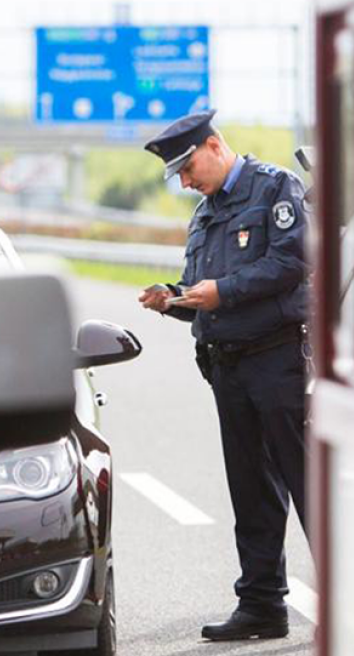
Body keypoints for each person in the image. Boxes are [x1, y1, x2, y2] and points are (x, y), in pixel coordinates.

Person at [137, 109, 311, 641]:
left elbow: (294, 261)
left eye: (188, 169)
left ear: (214, 146)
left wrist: (223, 292)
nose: (185, 182)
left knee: (309, 483)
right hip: (228, 367)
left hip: (278, 361)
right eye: (179, 176)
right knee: (250, 493)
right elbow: (203, 291)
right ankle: (261, 604)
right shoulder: (205, 215)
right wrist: (173, 299)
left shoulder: (275, 188)